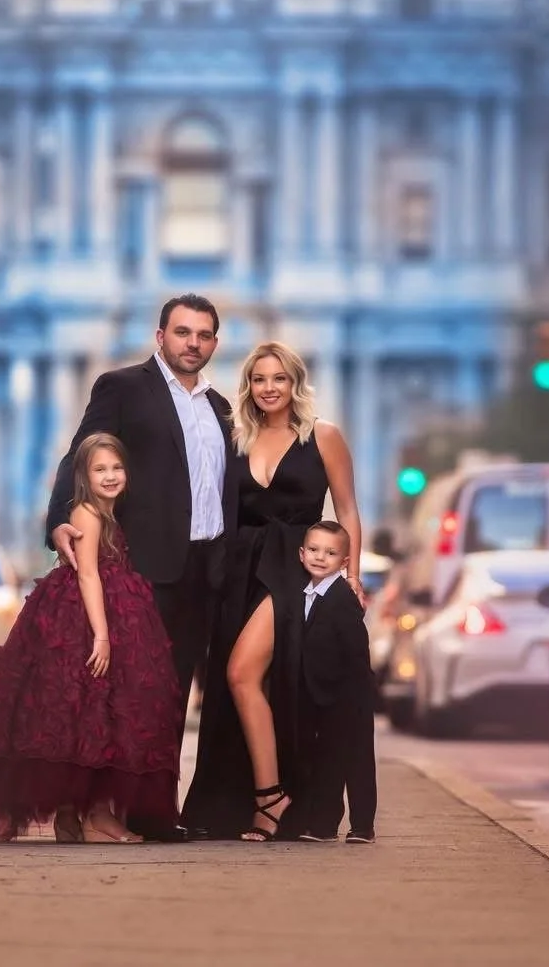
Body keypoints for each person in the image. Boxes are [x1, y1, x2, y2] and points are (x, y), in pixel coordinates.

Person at [45, 294, 235, 841]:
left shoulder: (222, 408)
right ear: (160, 337)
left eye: (203, 335)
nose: (192, 343)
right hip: (144, 567)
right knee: (130, 693)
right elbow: (81, 454)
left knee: (172, 697)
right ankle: (106, 807)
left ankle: (152, 808)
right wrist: (59, 519)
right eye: (182, 332)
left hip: (205, 569)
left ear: (214, 343)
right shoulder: (124, 387)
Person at [180, 341, 364, 842]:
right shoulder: (235, 436)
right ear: (248, 386)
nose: (268, 388)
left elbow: (347, 511)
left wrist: (350, 577)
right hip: (238, 571)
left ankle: (272, 798)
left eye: (278, 378)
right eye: (259, 379)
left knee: (242, 673)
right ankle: (238, 801)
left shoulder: (323, 436)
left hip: (296, 571)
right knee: (249, 683)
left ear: (295, 383)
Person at [0, 433, 183, 844]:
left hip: (110, 610)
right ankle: (95, 816)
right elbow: (88, 574)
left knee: (90, 713)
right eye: (100, 469)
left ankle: (74, 816)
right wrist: (102, 635)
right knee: (85, 709)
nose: (110, 476)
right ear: (84, 475)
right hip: (84, 617)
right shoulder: (87, 513)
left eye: (117, 468)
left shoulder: (111, 512)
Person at [293, 521, 377, 845]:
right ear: (302, 554)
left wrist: (359, 693)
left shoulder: (343, 598)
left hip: (349, 694)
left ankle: (363, 825)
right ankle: (324, 824)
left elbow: (356, 649)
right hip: (320, 694)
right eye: (314, 550)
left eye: (330, 553)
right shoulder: (304, 594)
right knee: (326, 759)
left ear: (344, 562)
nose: (320, 557)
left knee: (357, 761)